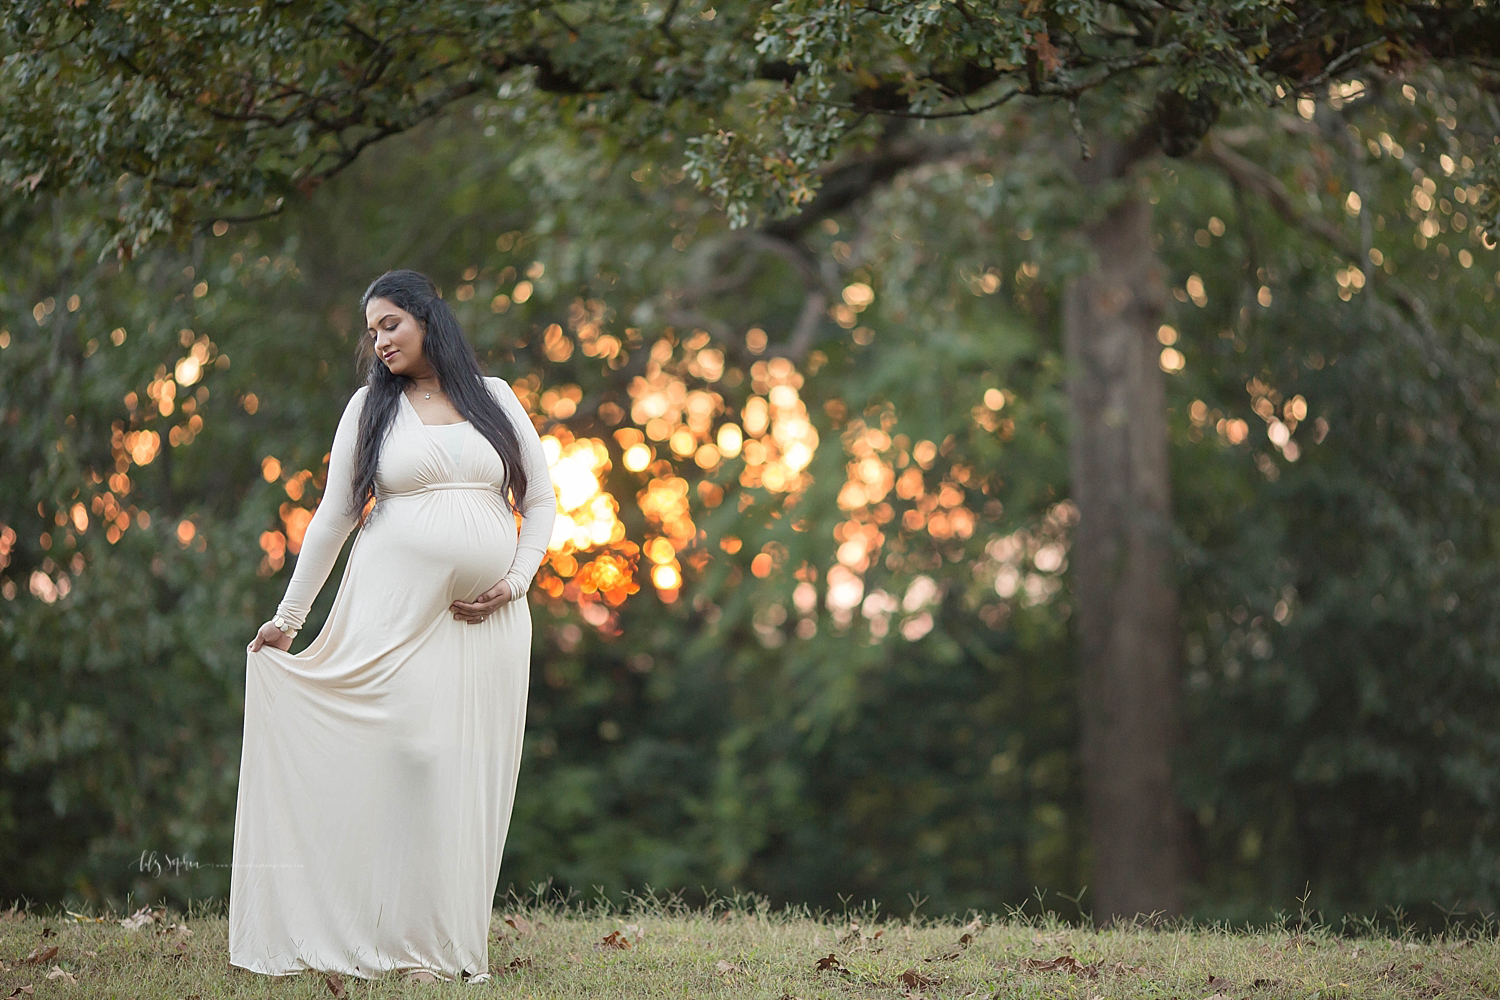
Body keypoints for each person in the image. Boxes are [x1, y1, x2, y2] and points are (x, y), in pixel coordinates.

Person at [228, 269, 557, 984]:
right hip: (393, 615)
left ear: (426, 318)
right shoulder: (369, 410)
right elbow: (335, 516)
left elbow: (542, 499)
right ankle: (383, 929)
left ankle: (437, 950)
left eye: (390, 325)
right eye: (372, 330)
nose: (377, 341)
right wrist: (289, 618)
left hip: (490, 622)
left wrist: (514, 582)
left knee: (463, 772)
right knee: (413, 755)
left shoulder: (494, 398)